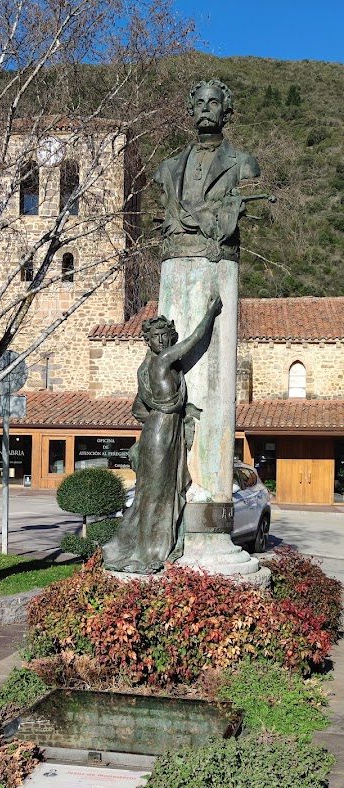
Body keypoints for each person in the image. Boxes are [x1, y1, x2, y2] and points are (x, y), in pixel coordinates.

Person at [102, 294, 222, 574]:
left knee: (154, 493)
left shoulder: (147, 368)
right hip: (160, 434)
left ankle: (143, 545)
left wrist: (166, 414)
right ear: (149, 341)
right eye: (157, 337)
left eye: (166, 336)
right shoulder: (159, 362)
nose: (163, 342)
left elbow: (137, 410)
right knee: (154, 494)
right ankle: (146, 551)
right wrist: (210, 313)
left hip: (160, 429)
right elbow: (193, 341)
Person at [154, 78, 260, 263]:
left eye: (213, 103)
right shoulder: (168, 167)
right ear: (192, 111)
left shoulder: (244, 164)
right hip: (175, 256)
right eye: (199, 103)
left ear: (225, 114)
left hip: (218, 257)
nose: (205, 109)